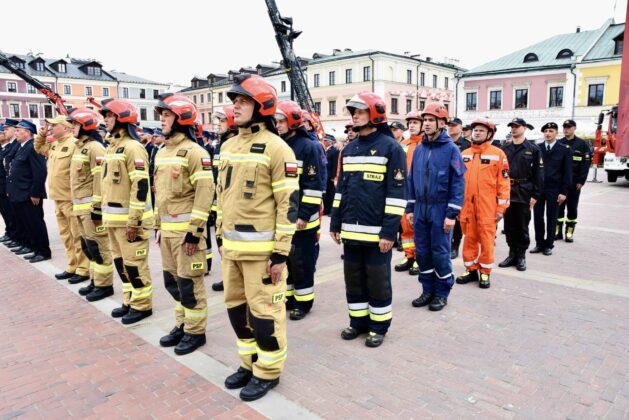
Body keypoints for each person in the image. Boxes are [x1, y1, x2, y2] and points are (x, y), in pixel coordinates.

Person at [216, 74, 297, 401]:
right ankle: (248, 364)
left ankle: (268, 372)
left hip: (263, 255)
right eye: (234, 102)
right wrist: (220, 238)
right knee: (237, 311)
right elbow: (222, 196)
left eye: (242, 101)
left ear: (261, 105)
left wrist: (280, 254)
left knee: (265, 316)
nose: (235, 106)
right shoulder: (228, 145)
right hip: (232, 251)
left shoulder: (279, 148)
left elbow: (288, 204)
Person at [330, 91, 407, 347]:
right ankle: (357, 322)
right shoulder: (349, 148)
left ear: (375, 113)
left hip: (377, 235)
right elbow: (341, 188)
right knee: (353, 280)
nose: (355, 115)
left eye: (360, 111)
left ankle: (379, 326)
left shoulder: (391, 148)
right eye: (353, 111)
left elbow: (397, 195)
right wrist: (335, 222)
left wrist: (388, 233)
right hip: (351, 232)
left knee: (377, 281)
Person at [152, 94, 214, 355]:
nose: (162, 120)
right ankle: (182, 324)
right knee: (172, 282)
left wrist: (195, 232)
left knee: (190, 285)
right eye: (162, 116)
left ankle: (196, 332)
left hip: (186, 233)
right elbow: (160, 193)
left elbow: (204, 193)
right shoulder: (162, 151)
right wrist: (157, 226)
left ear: (182, 119)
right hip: (167, 231)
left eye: (167, 115)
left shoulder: (196, 152)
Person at [100, 99, 154, 324]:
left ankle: (142, 305)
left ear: (122, 118)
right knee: (121, 265)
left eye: (109, 116)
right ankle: (129, 300)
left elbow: (140, 186)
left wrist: (134, 221)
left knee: (134, 265)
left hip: (129, 222)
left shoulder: (133, 147)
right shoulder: (112, 146)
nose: (105, 119)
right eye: (105, 116)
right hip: (113, 220)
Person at [406, 103, 465, 311]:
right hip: (421, 208)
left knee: (440, 252)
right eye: (426, 120)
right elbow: (411, 179)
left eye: (432, 120)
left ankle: (441, 292)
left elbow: (458, 183)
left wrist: (451, 214)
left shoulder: (451, 150)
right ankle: (427, 290)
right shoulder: (420, 148)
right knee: (422, 251)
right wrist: (410, 208)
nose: (427, 124)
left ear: (441, 123)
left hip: (440, 210)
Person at [275, 100, 323, 321]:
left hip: (303, 218)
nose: (278, 124)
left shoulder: (309, 147)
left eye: (282, 120)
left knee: (302, 262)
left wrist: (304, 214)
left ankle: (303, 302)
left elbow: (314, 185)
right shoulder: (280, 145)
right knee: (289, 260)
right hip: (285, 216)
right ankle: (290, 297)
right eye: (276, 121)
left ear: (293, 120)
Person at [65, 108, 114, 301]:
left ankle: (105, 285)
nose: (72, 128)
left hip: (91, 210)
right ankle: (95, 280)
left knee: (99, 247)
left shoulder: (95, 148)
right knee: (88, 248)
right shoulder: (79, 147)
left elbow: (100, 181)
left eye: (75, 124)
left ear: (86, 125)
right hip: (80, 208)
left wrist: (97, 208)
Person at [35, 116, 90, 283]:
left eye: (54, 125)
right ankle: (72, 266)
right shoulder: (55, 145)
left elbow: (80, 172)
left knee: (77, 235)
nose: (50, 127)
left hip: (70, 198)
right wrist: (42, 134)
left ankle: (83, 268)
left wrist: (77, 195)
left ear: (65, 127)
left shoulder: (74, 144)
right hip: (58, 198)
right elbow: (38, 147)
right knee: (66, 236)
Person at [456, 118, 510, 288]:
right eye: (475, 130)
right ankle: (470, 269)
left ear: (489, 134)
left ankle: (485, 272)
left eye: (481, 130)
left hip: (487, 206)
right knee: (469, 238)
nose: (477, 133)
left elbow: (504, 182)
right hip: (467, 206)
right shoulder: (464, 154)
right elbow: (457, 182)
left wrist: (501, 208)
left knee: (486, 240)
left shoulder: (498, 154)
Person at [498, 118, 543, 271]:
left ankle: (521, 255)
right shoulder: (505, 148)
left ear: (525, 128)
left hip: (524, 191)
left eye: (517, 126)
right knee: (509, 225)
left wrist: (535, 195)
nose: (514, 129)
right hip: (507, 191)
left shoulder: (533, 149)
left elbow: (539, 173)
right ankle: (512, 254)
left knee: (522, 225)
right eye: (512, 126)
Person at [6, 120, 51, 263]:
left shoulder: (33, 147)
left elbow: (40, 171)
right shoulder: (21, 147)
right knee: (26, 223)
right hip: (19, 193)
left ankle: (43, 251)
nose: (16, 132)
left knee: (35, 223)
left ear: (28, 132)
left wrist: (36, 193)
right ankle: (32, 247)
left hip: (29, 194)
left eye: (19, 130)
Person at [209, 106, 238, 292]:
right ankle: (227, 277)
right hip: (218, 200)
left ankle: (233, 279)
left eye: (222, 120)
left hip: (232, 202)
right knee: (221, 242)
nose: (218, 124)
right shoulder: (220, 145)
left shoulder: (236, 144)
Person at [531, 122, 572, 256]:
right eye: (546, 131)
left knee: (552, 217)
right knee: (538, 217)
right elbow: (533, 170)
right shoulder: (538, 148)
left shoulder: (564, 149)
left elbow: (567, 172)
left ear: (556, 133)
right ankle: (539, 243)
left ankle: (549, 245)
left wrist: (564, 192)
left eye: (551, 131)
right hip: (539, 189)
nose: (547, 134)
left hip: (555, 189)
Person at [395, 111, 422, 276]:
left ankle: (420, 257)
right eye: (409, 123)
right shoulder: (403, 144)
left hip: (419, 192)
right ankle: (409, 255)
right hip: (404, 191)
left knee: (418, 227)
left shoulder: (425, 144)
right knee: (406, 227)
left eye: (415, 123)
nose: (411, 125)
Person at [556, 120, 591, 242]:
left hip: (575, 182)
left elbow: (586, 164)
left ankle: (569, 232)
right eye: (564, 127)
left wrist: (581, 180)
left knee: (572, 208)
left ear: (574, 128)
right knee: (558, 207)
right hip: (561, 182)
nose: (566, 129)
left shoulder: (582, 144)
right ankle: (557, 231)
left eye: (569, 127)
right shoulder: (559, 143)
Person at [446, 117, 471, 259]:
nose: (450, 127)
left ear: (461, 128)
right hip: (444, 185)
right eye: (449, 125)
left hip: (461, 186)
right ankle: (448, 243)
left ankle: (455, 245)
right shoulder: (443, 143)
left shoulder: (467, 145)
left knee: (458, 217)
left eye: (454, 125)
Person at [1, 119, 24, 250]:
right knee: (9, 215)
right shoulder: (14, 145)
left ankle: (18, 238)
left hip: (14, 188)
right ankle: (13, 235)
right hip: (6, 187)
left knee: (18, 217)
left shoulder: (16, 145)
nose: (5, 131)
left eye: (6, 129)